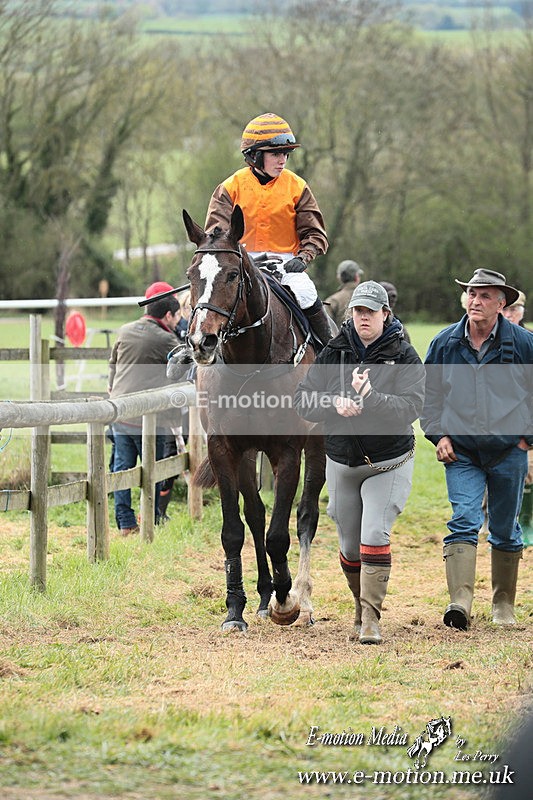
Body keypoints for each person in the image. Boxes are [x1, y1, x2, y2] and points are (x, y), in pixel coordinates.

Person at [294, 281, 425, 644]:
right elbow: (303, 400)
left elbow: (411, 408)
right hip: (341, 461)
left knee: (373, 536)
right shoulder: (333, 351)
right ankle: (358, 603)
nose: (363, 317)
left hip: (389, 461)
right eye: (357, 311)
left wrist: (372, 397)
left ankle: (371, 619)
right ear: (350, 314)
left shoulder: (404, 355)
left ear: (386, 314)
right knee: (350, 547)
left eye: (370, 311)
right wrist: (334, 402)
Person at [421, 269, 533, 629]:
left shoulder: (523, 344)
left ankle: (503, 606)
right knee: (464, 520)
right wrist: (439, 435)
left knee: (503, 528)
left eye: (485, 295)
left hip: (508, 451)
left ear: (502, 304)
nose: (475, 300)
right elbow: (430, 396)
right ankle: (460, 603)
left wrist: (526, 440)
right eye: (471, 293)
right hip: (462, 453)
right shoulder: (445, 343)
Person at [204, 112, 331, 348]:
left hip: (286, 265)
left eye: (286, 154)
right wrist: (234, 259)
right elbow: (216, 235)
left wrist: (303, 258)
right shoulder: (229, 187)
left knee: (306, 293)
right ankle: (194, 355)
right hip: (240, 263)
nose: (282, 160)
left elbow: (315, 234)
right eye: (275, 154)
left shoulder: (298, 186)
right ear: (254, 155)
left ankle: (329, 351)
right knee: (209, 296)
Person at [108, 282, 181, 535]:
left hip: (120, 412)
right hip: (149, 419)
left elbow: (113, 366)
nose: (178, 321)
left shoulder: (125, 330)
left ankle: (126, 523)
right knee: (154, 470)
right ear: (168, 315)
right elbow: (185, 370)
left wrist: (113, 395)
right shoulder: (167, 339)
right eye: (178, 316)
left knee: (121, 469)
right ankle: (149, 519)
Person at [324, 260, 364, 328]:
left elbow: (326, 327)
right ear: (356, 277)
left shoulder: (332, 301)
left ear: (339, 278)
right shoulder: (367, 297)